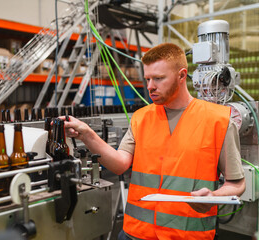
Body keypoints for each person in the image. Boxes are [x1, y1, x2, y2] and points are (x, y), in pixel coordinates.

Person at [63, 43, 245, 240]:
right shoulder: (141, 118)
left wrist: (214, 197)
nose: (150, 86)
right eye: (148, 78)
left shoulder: (219, 120)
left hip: (187, 235)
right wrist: (87, 135)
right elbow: (119, 164)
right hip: (135, 233)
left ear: (182, 75)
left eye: (158, 78)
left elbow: (236, 183)